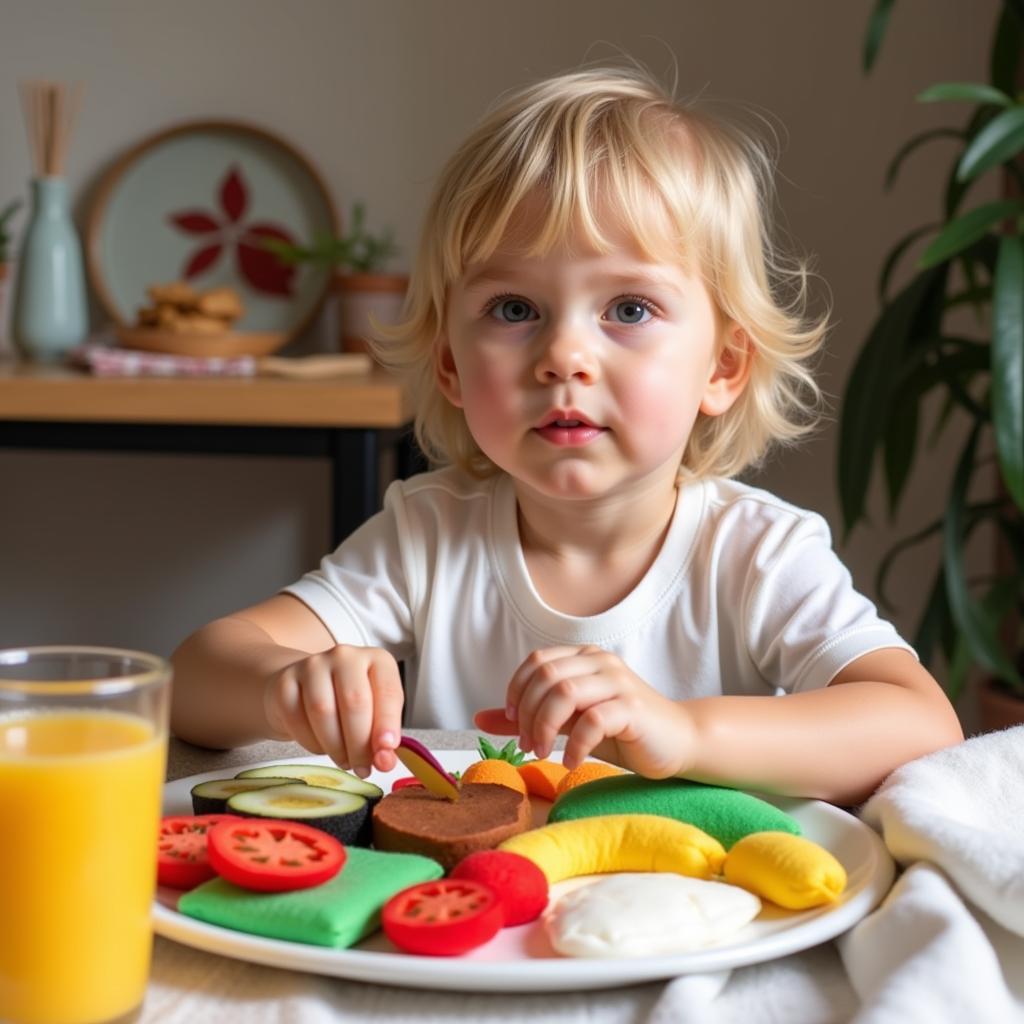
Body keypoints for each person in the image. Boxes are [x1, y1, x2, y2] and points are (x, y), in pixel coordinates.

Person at [171, 65, 963, 807]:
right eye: (515, 310)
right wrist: (290, 684)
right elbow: (197, 677)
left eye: (628, 309)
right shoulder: (429, 532)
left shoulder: (757, 553)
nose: (563, 358)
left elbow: (921, 725)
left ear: (722, 366)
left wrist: (684, 732)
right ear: (449, 364)